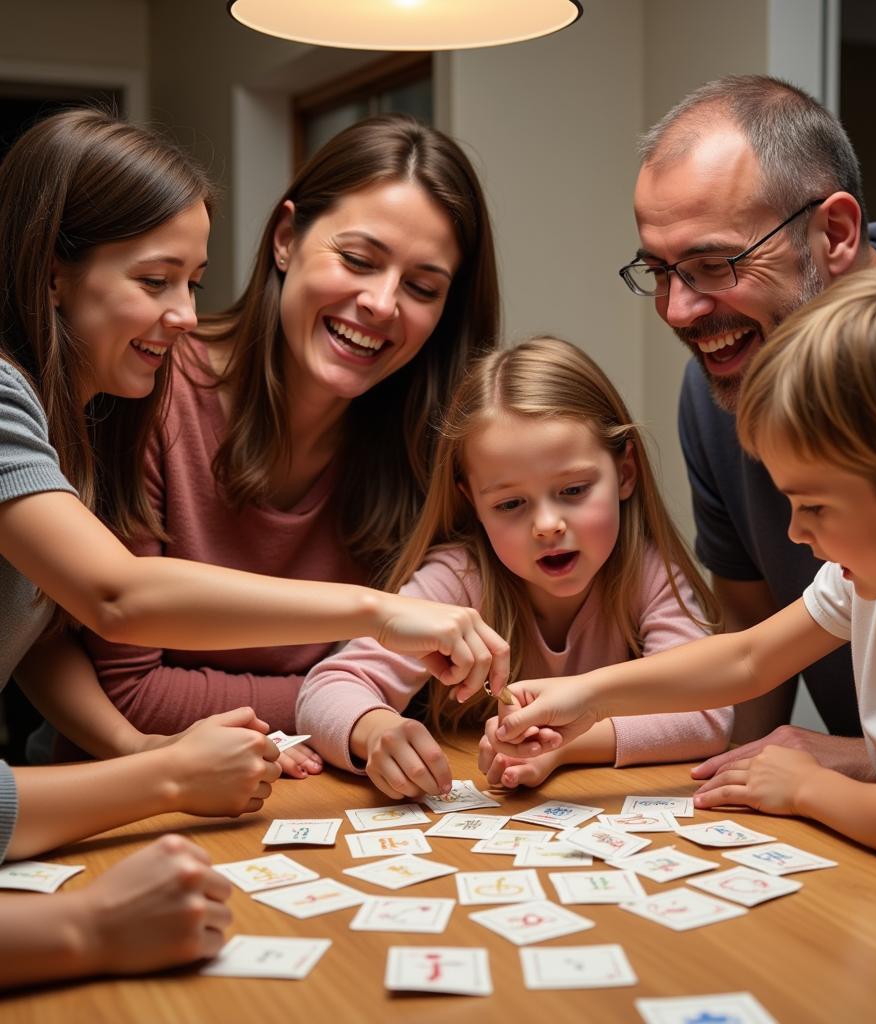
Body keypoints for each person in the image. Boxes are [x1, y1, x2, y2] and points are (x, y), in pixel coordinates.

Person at [0, 108, 505, 986]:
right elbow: (114, 602)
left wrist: (360, 707)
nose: (184, 317)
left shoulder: (83, 397)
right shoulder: (113, 395)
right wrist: (360, 655)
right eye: (156, 279)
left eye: (191, 281)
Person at [494, 267, 876, 883]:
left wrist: (805, 786)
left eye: (816, 507)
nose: (796, 533)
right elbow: (747, 658)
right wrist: (586, 693)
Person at [618, 74, 876, 783]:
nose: (678, 312)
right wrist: (612, 740)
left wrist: (858, 765)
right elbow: (751, 646)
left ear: (834, 232)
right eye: (658, 271)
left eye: (713, 265)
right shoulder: (717, 383)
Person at [296, 337, 731, 798]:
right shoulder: (459, 580)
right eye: (510, 503)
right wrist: (376, 730)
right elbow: (328, 686)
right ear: (473, 503)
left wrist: (562, 746)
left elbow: (706, 710)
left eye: (574, 490)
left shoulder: (649, 574)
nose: (546, 525)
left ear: (624, 473)